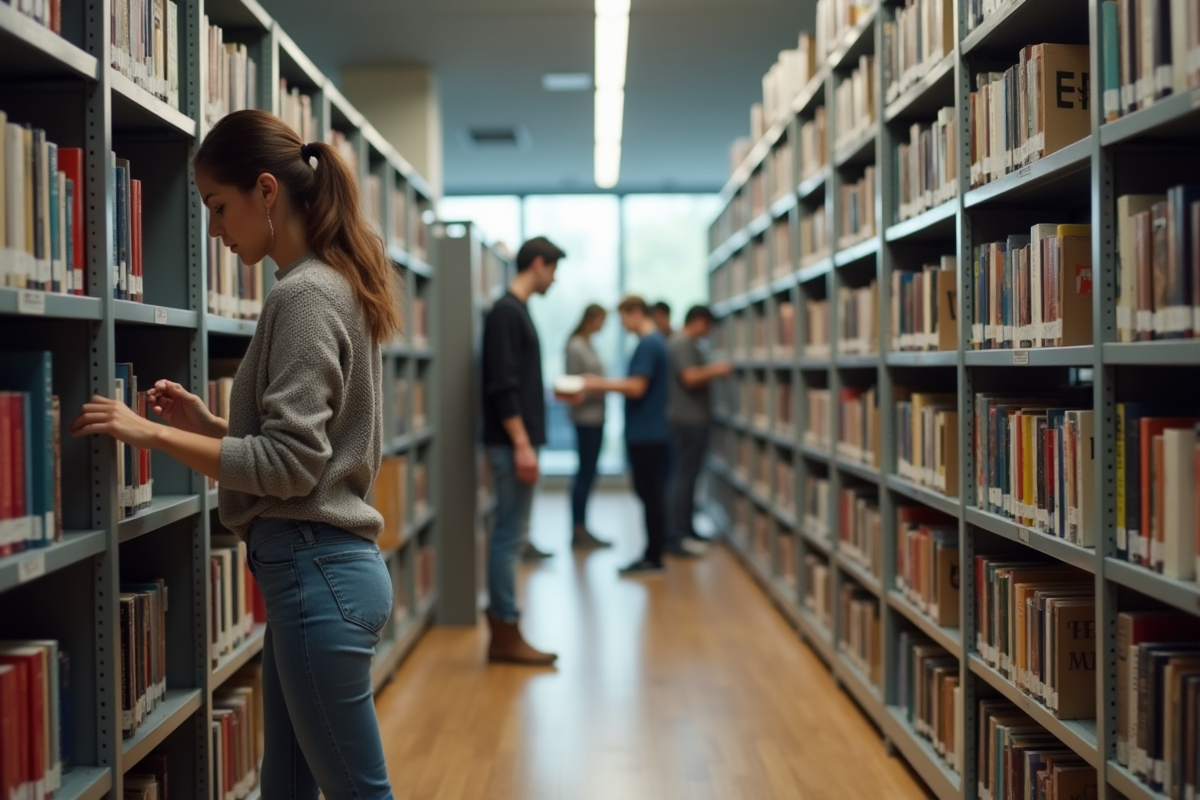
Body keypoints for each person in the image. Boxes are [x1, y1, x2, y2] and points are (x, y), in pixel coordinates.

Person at [70, 109, 399, 800]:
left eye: (219, 208)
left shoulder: (304, 294)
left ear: (267, 191)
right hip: (321, 574)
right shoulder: (334, 282)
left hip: (317, 574)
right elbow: (316, 444)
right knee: (285, 788)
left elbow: (289, 466)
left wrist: (151, 433)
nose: (214, 231)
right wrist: (212, 423)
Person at [480, 235, 565, 665]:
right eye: (553, 269)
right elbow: (502, 385)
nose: (554, 279)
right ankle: (504, 632)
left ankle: (506, 629)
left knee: (510, 533)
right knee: (509, 536)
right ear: (537, 264)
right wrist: (522, 443)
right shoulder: (506, 314)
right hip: (512, 444)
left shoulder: (515, 312)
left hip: (518, 442)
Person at [584, 296, 670, 576]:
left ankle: (653, 557)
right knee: (650, 493)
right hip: (650, 430)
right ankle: (653, 553)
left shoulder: (648, 344)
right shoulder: (655, 342)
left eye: (623, 319)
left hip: (646, 433)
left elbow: (636, 388)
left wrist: (599, 384)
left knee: (650, 494)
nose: (622, 326)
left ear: (635, 313)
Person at [667, 305, 733, 557]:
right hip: (687, 420)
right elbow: (689, 377)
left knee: (690, 477)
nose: (708, 332)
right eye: (707, 326)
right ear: (697, 321)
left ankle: (688, 530)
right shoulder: (682, 343)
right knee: (685, 477)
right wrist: (717, 369)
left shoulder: (685, 342)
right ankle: (680, 534)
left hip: (691, 419)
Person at [565, 304, 612, 549]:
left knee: (590, 471)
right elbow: (572, 386)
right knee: (585, 472)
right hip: (586, 419)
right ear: (593, 319)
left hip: (596, 416)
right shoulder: (576, 346)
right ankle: (578, 528)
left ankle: (582, 526)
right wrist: (597, 386)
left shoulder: (589, 343)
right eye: (602, 320)